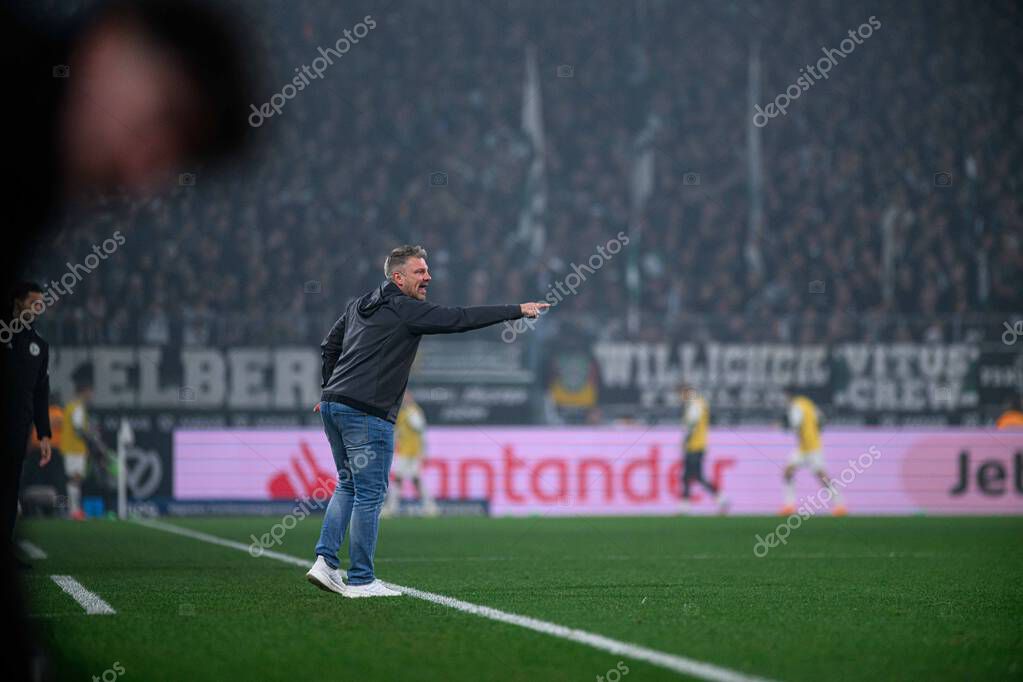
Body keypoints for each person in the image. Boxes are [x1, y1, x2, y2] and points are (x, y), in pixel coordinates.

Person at [306, 245, 549, 598]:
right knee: (370, 494)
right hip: (366, 411)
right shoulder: (406, 309)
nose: (428, 277)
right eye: (420, 272)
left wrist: (331, 389)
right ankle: (360, 579)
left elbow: (329, 347)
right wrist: (516, 310)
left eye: (427, 270)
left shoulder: (358, 305)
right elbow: (459, 318)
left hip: (334, 406)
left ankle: (325, 563)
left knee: (348, 486)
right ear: (398, 277)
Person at [2, 283, 54, 553]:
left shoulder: (39, 346)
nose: (38, 308)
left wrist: (43, 434)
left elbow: (40, 394)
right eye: (34, 302)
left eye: (41, 304)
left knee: (11, 491)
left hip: (18, 429)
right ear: (18, 302)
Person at [781, 388, 846, 517]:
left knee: (821, 475)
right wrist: (814, 433)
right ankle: (789, 505)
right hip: (809, 446)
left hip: (809, 447)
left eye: (785, 397)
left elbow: (795, 424)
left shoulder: (796, 406)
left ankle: (840, 504)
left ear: (789, 396)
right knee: (789, 471)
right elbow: (821, 420)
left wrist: (783, 425)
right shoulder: (808, 404)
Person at [384, 390, 437, 518]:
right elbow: (397, 432)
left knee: (411, 479)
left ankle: (429, 507)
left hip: (413, 451)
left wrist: (424, 451)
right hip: (403, 451)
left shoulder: (414, 410)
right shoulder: (400, 413)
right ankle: (428, 507)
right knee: (404, 478)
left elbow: (418, 427)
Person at [679, 385, 728, 514]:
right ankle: (685, 505)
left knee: (696, 476)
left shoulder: (695, 403)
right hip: (697, 444)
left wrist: (686, 439)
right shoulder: (699, 402)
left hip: (695, 445)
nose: (681, 398)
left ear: (686, 392)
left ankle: (721, 498)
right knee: (686, 476)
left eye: (681, 394)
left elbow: (692, 424)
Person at [62, 367, 99, 521]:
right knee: (75, 479)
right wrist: (91, 436)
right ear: (84, 391)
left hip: (73, 448)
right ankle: (74, 511)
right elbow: (78, 430)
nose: (91, 395)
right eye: (90, 391)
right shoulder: (77, 407)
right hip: (74, 448)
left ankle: (74, 510)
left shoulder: (72, 406)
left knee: (75, 479)